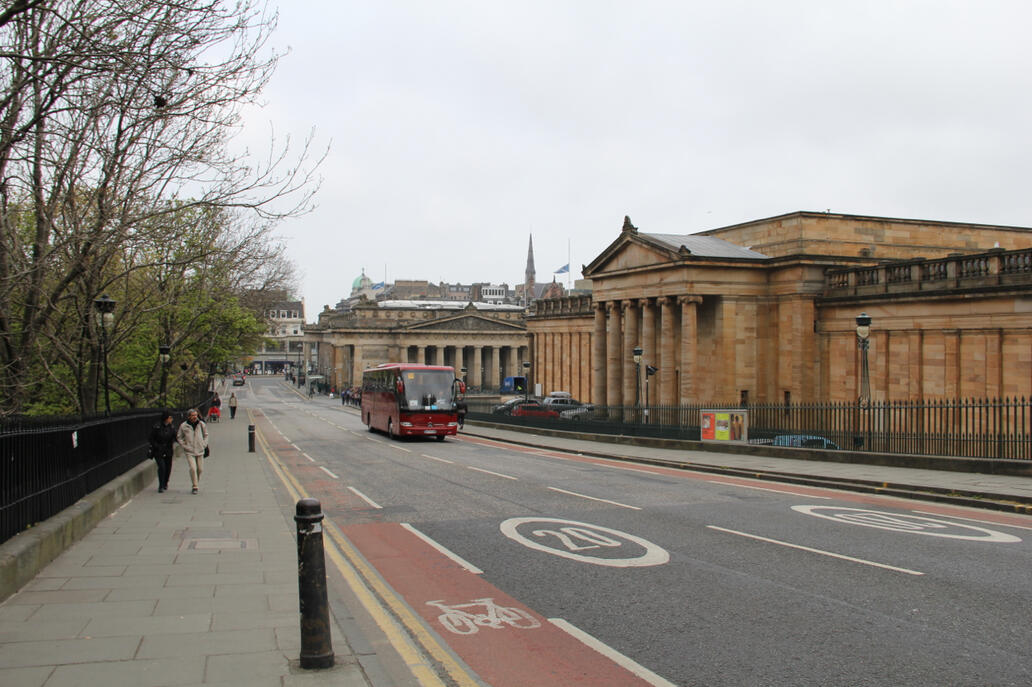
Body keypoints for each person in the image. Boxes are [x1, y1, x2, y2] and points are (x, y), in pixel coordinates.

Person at [176, 408, 208, 494]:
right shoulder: (184, 426)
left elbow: (206, 435)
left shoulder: (201, 424)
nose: (195, 417)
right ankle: (195, 486)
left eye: (196, 415)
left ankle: (196, 481)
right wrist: (184, 446)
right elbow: (179, 437)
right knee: (193, 468)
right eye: (193, 415)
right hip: (189, 450)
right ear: (189, 416)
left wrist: (204, 444)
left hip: (200, 449)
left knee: (200, 469)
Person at [148, 410, 177, 493]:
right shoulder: (157, 427)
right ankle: (161, 485)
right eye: (170, 417)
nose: (171, 419)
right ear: (166, 418)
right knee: (162, 467)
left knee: (168, 467)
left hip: (168, 450)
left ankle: (165, 482)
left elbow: (176, 437)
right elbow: (151, 438)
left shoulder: (172, 427)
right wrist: (156, 446)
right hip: (158, 450)